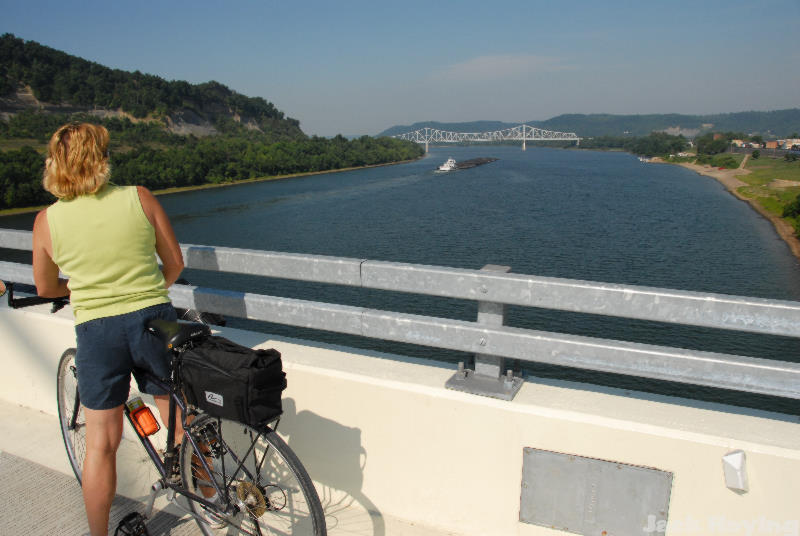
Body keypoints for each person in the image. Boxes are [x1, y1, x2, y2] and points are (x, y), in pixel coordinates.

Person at [32, 122, 184, 536]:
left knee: (101, 443)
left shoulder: (47, 221)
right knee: (174, 415)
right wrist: (145, 293)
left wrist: (80, 290)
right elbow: (174, 264)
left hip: (97, 330)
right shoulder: (138, 197)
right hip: (156, 319)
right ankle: (206, 497)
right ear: (100, 158)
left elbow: (45, 287)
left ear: (56, 163)